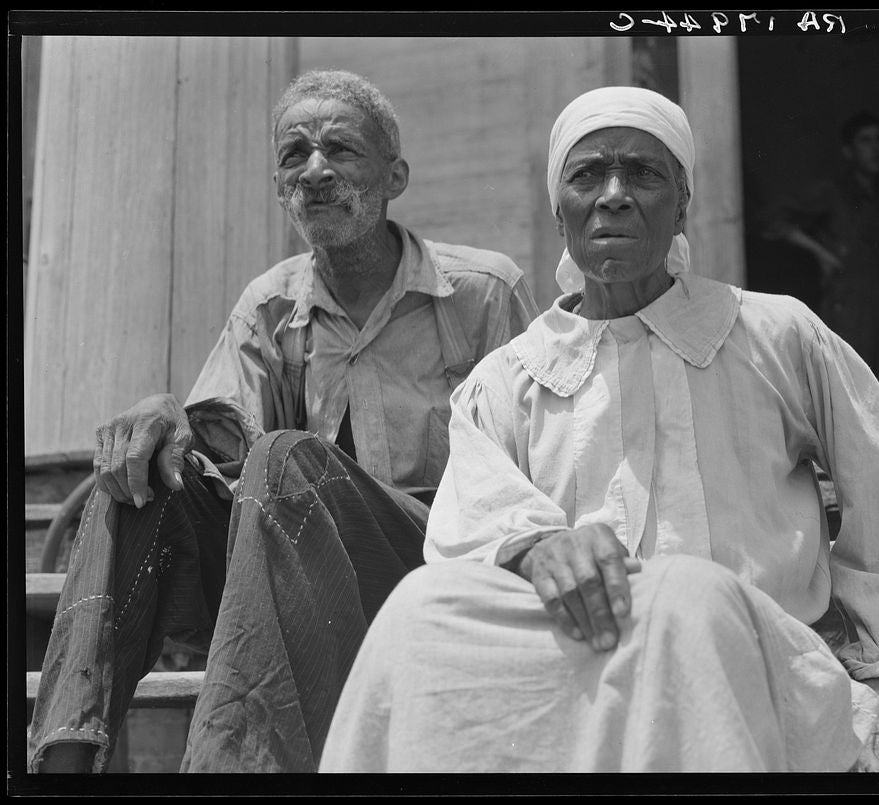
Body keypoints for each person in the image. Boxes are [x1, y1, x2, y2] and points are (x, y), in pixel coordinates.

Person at [318, 87, 879, 773]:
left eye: (644, 173)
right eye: (588, 174)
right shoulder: (507, 379)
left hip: (751, 655)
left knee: (686, 592)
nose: (615, 194)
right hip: (574, 659)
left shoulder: (776, 334)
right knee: (418, 608)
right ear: (557, 206)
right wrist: (535, 547)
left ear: (682, 202)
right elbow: (468, 526)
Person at [28, 69, 539, 774]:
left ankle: (227, 767)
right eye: (295, 154)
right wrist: (161, 415)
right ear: (278, 187)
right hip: (294, 579)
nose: (316, 170)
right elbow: (215, 452)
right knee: (137, 471)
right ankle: (61, 759)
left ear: (396, 175)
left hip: (434, 566)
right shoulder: (269, 305)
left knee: (288, 455)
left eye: (341, 150)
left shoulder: (483, 293)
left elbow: (537, 460)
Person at [760, 110, 879, 377]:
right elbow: (772, 220)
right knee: (847, 385)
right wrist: (821, 253)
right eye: (865, 140)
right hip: (848, 311)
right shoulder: (832, 193)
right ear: (848, 151)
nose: (875, 148)